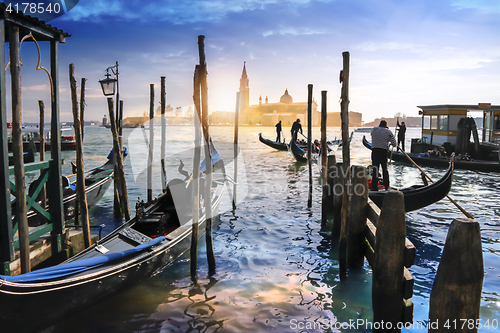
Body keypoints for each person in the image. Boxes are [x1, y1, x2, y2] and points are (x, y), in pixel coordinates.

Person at [371, 120, 397, 191]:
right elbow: (394, 143)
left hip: (374, 151)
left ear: (379, 124)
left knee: (375, 169)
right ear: (386, 125)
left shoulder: (373, 130)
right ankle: (386, 186)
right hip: (383, 151)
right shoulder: (388, 131)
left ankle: (374, 187)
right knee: (384, 169)